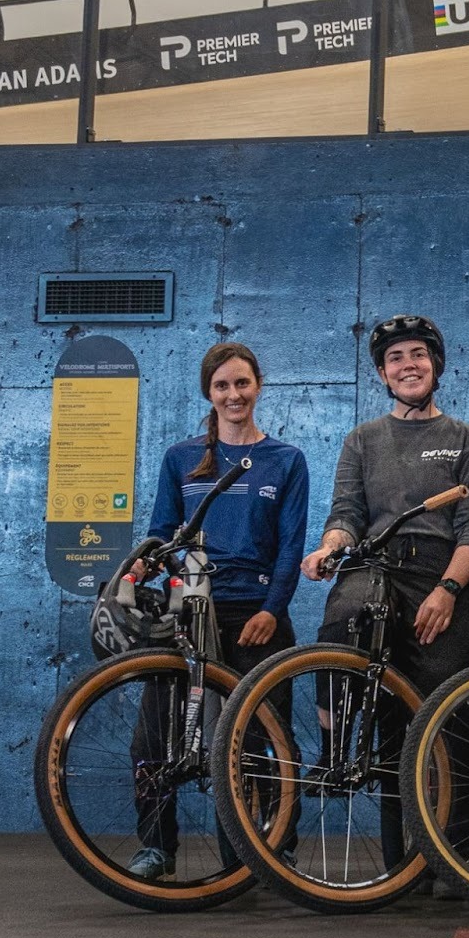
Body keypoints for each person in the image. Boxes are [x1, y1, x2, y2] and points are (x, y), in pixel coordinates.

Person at [299, 315, 469, 895]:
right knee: (349, 647)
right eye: (395, 358)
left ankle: (463, 860)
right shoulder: (362, 440)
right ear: (382, 374)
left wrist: (448, 590)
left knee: (446, 721)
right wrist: (329, 548)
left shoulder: (468, 440)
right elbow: (346, 514)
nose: (407, 364)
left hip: (441, 578)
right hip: (376, 569)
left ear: (436, 365)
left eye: (418, 354)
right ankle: (393, 852)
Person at [126, 341, 309, 881]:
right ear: (209, 392)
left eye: (242, 384)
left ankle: (267, 847)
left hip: (258, 615)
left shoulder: (286, 459)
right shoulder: (181, 458)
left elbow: (291, 547)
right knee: (152, 739)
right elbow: (161, 532)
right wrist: (148, 570)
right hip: (190, 611)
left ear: (258, 387)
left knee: (263, 742)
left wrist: (273, 610)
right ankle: (156, 848)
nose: (234, 394)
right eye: (223, 386)